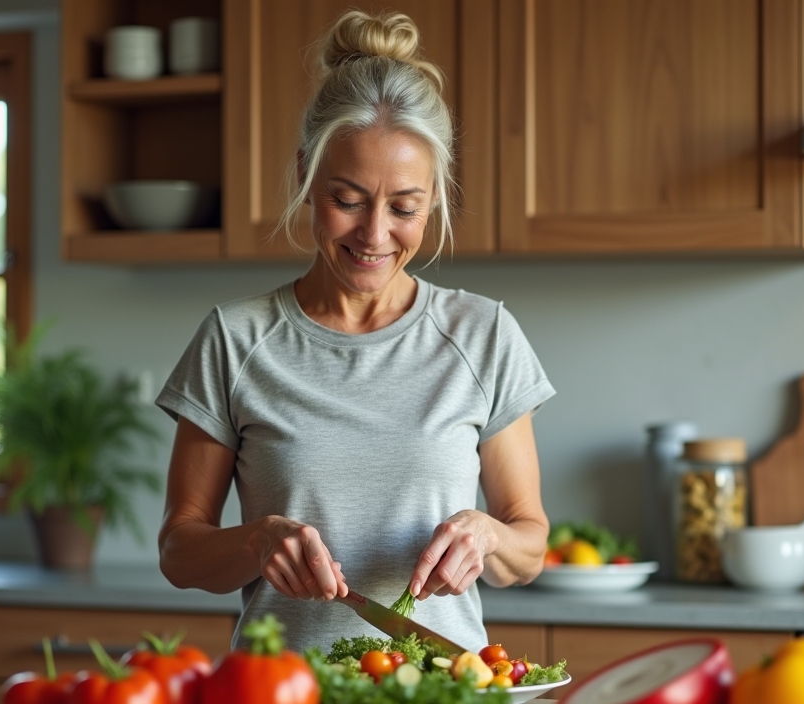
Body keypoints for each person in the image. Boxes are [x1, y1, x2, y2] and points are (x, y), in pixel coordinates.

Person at [155, 9, 555, 654]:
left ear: (435, 195)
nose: (374, 235)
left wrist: (488, 536)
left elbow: (529, 547)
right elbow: (179, 551)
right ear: (306, 176)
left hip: (440, 694)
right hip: (280, 695)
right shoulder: (234, 339)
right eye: (347, 200)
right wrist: (257, 541)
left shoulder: (485, 336)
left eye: (404, 207)